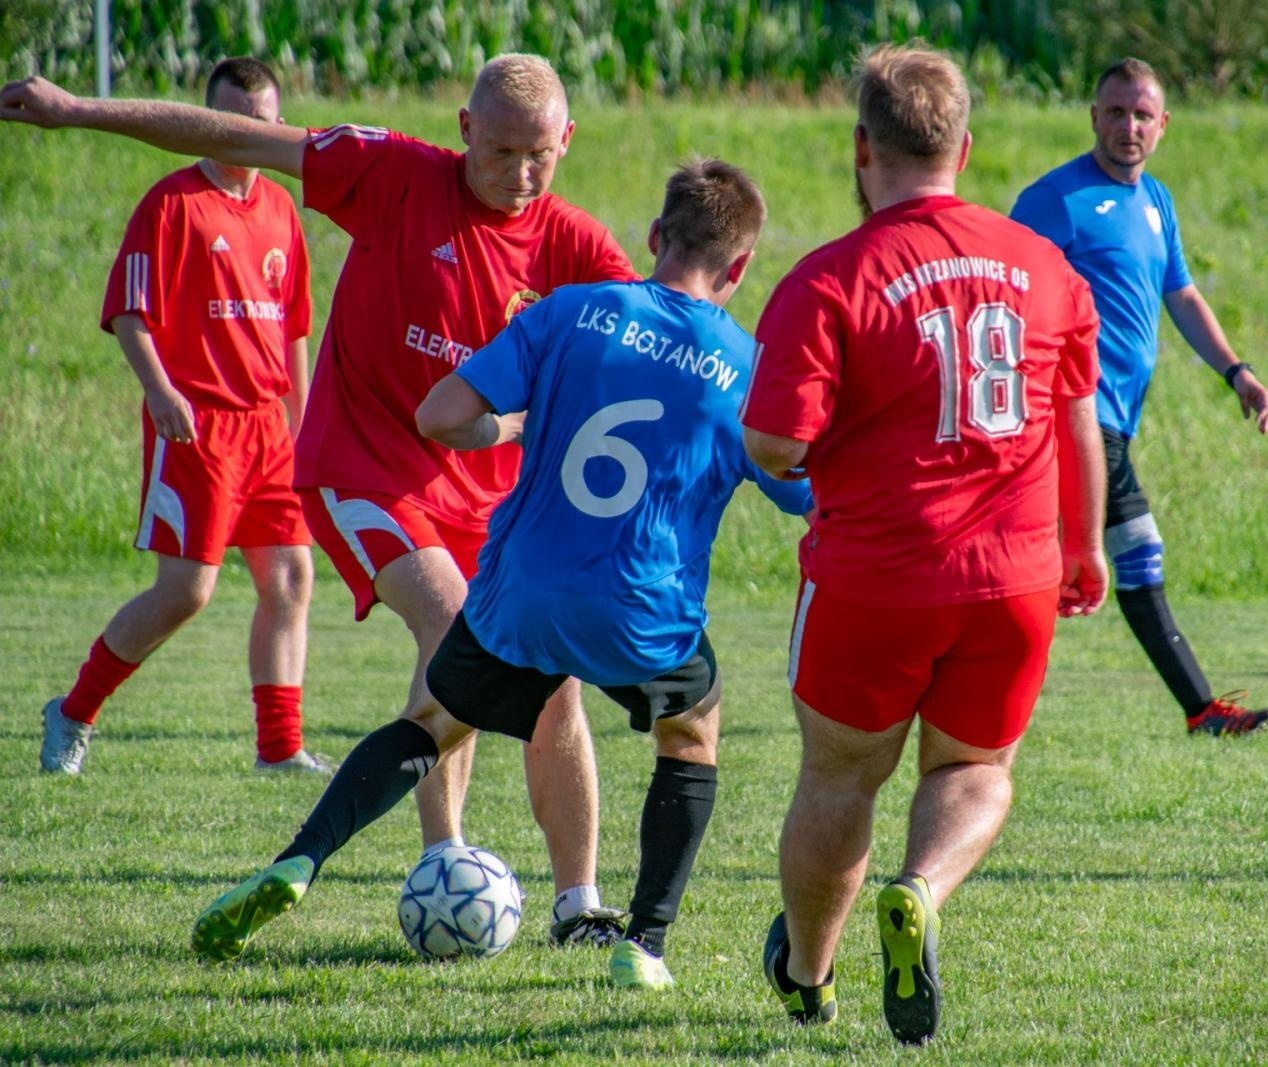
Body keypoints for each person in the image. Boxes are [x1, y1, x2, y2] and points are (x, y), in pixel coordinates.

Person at [2, 55, 630, 944]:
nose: (519, 176)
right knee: (458, 631)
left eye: (539, 156)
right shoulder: (393, 175)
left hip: (490, 499)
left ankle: (580, 908)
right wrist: (77, 111)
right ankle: (441, 858)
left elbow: (652, 346)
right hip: (366, 466)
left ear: (567, 140)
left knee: (551, 679)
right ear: (463, 130)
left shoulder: (574, 244)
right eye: (499, 152)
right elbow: (231, 135)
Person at [188, 159, 812, 989]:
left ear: (655, 239)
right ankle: (644, 942)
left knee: (434, 720)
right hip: (642, 608)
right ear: (738, 269)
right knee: (692, 731)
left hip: (520, 591)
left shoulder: (571, 309)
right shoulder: (745, 364)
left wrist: (514, 425)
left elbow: (439, 414)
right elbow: (799, 486)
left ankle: (300, 859)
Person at [742, 44, 1107, 1044]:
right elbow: (1079, 416)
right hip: (1015, 575)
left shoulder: (829, 277)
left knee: (838, 777)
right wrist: (1086, 542)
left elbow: (775, 442)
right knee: (976, 770)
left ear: (863, 148)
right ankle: (921, 889)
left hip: (874, 577)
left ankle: (811, 975)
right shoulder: (1045, 265)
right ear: (963, 146)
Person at [33, 57, 325, 776]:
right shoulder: (172, 203)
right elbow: (130, 315)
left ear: (276, 126)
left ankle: (280, 749)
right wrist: (162, 393)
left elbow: (293, 331)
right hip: (199, 424)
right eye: (227, 118)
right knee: (187, 589)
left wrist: (304, 421)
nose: (241, 133)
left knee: (289, 577)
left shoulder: (283, 211)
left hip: (269, 428)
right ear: (205, 118)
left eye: (257, 123)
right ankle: (73, 710)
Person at [1010, 57, 1268, 737]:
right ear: (1093, 117)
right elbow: (1006, 296)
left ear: (1162, 125)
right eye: (1115, 112)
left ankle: (1197, 710)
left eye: (1141, 114)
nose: (1128, 125)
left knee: (1053, 558)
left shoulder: (1156, 202)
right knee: (1133, 549)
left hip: (1113, 419)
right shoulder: (1053, 201)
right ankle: (1201, 710)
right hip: (1071, 413)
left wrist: (1236, 370)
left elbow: (1181, 294)